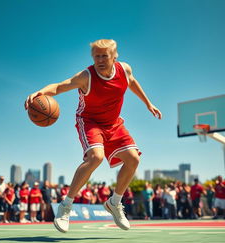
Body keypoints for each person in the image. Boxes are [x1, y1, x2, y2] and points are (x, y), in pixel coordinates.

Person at [25, 39, 162, 232]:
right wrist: (40, 92)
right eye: (96, 56)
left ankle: (114, 202)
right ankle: (66, 206)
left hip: (114, 123)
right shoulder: (86, 76)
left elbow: (132, 82)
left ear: (114, 56)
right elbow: (60, 86)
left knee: (133, 159)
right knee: (96, 157)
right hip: (89, 122)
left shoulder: (124, 69)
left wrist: (148, 103)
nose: (100, 59)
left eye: (104, 55)